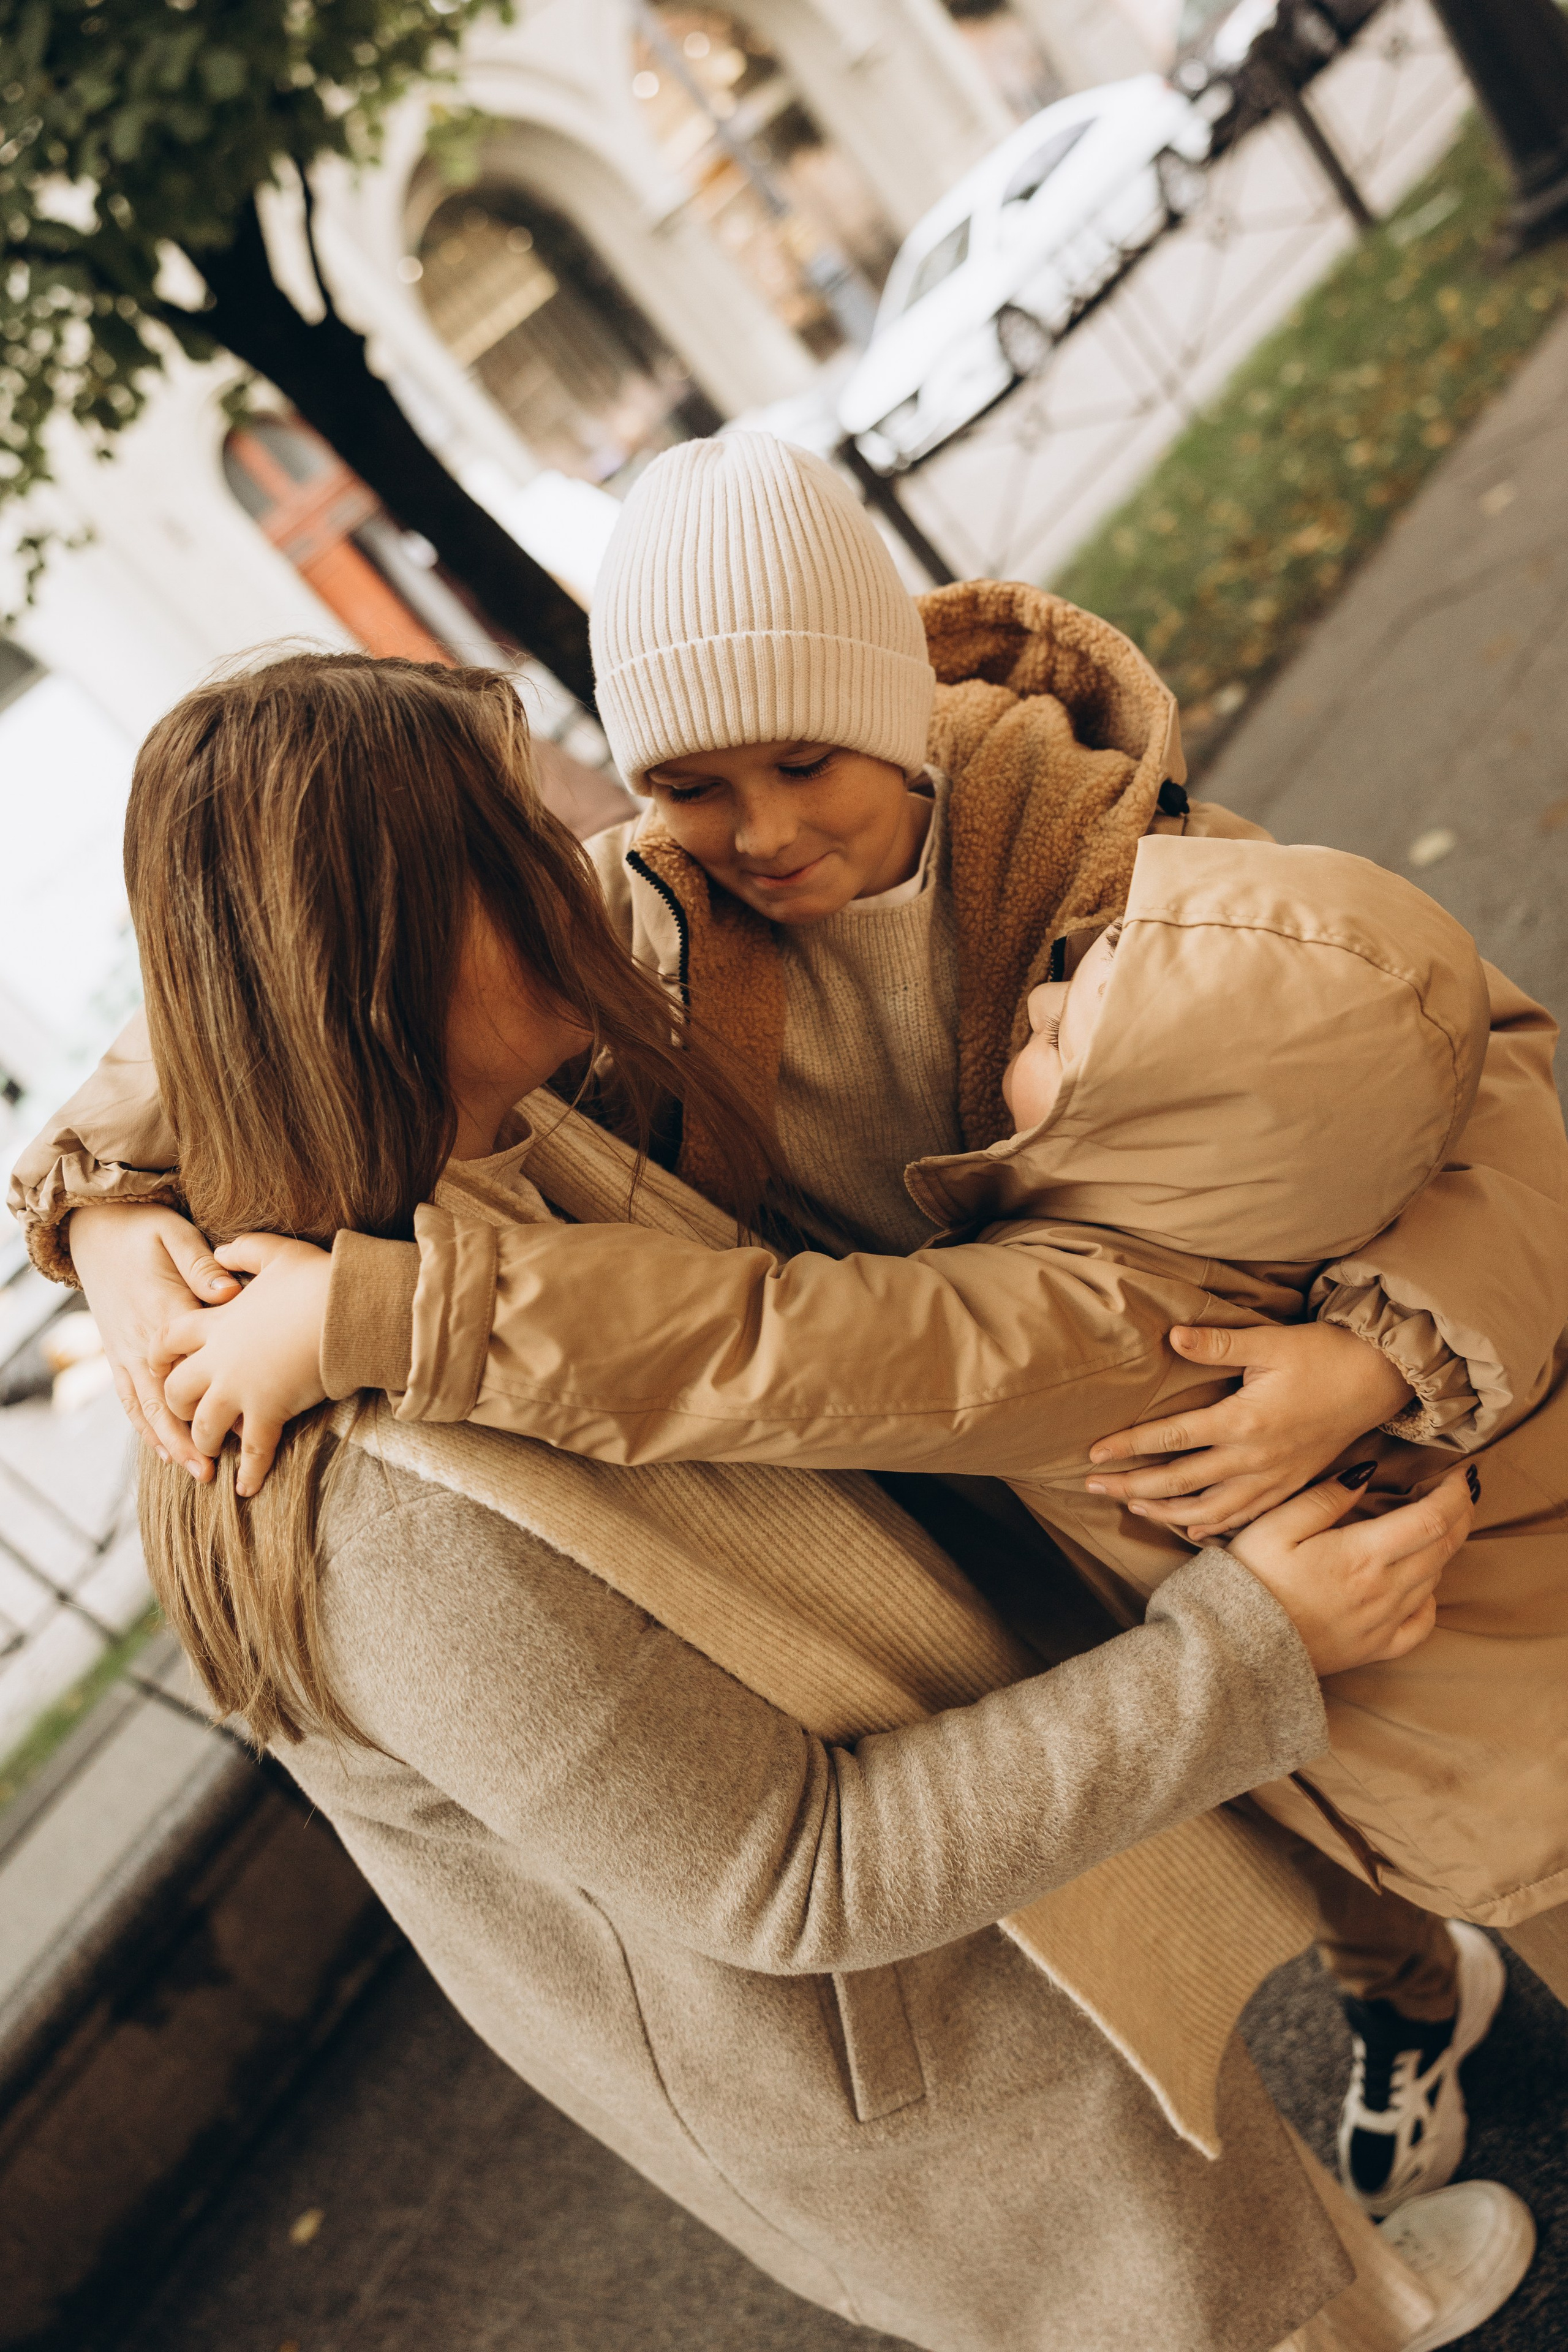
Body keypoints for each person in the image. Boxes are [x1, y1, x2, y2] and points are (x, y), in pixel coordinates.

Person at [34, 435, 1559, 2218]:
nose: (761, 832)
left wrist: (1381, 1348)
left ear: (892, 712)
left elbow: (1498, 1084)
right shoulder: (640, 939)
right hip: (986, 1500)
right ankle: (1409, 1996)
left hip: (1256, 1450)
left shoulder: (1123, 880)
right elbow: (273, 962)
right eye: (690, 783)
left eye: (805, 761)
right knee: (1283, 1811)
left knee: (1452, 1784)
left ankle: (1439, 1953)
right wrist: (98, 1203)